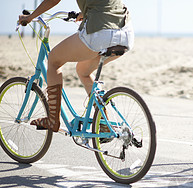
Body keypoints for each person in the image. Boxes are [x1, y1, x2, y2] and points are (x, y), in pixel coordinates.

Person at [18, 0, 134, 132]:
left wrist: (29, 17)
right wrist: (85, 12)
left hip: (101, 32)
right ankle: (103, 122)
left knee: (54, 60)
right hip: (125, 33)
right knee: (83, 70)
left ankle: (52, 120)